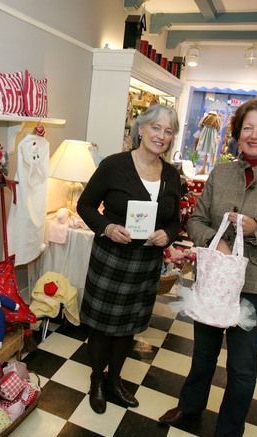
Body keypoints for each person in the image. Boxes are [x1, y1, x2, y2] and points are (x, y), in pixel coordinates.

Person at [159, 95, 257, 436]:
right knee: (202, 355)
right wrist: (219, 239)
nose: (254, 135)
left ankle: (229, 430)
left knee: (241, 369)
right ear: (238, 133)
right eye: (247, 128)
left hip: (253, 291)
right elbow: (195, 219)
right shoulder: (222, 172)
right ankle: (190, 405)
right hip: (212, 283)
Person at [77, 103, 182, 414]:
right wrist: (106, 227)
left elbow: (174, 219)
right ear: (140, 129)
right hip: (111, 259)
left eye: (168, 131)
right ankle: (97, 379)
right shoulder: (114, 165)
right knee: (101, 326)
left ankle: (115, 379)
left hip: (145, 264)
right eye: (156, 128)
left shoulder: (172, 176)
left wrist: (168, 235)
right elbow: (85, 206)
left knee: (127, 327)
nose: (161, 136)